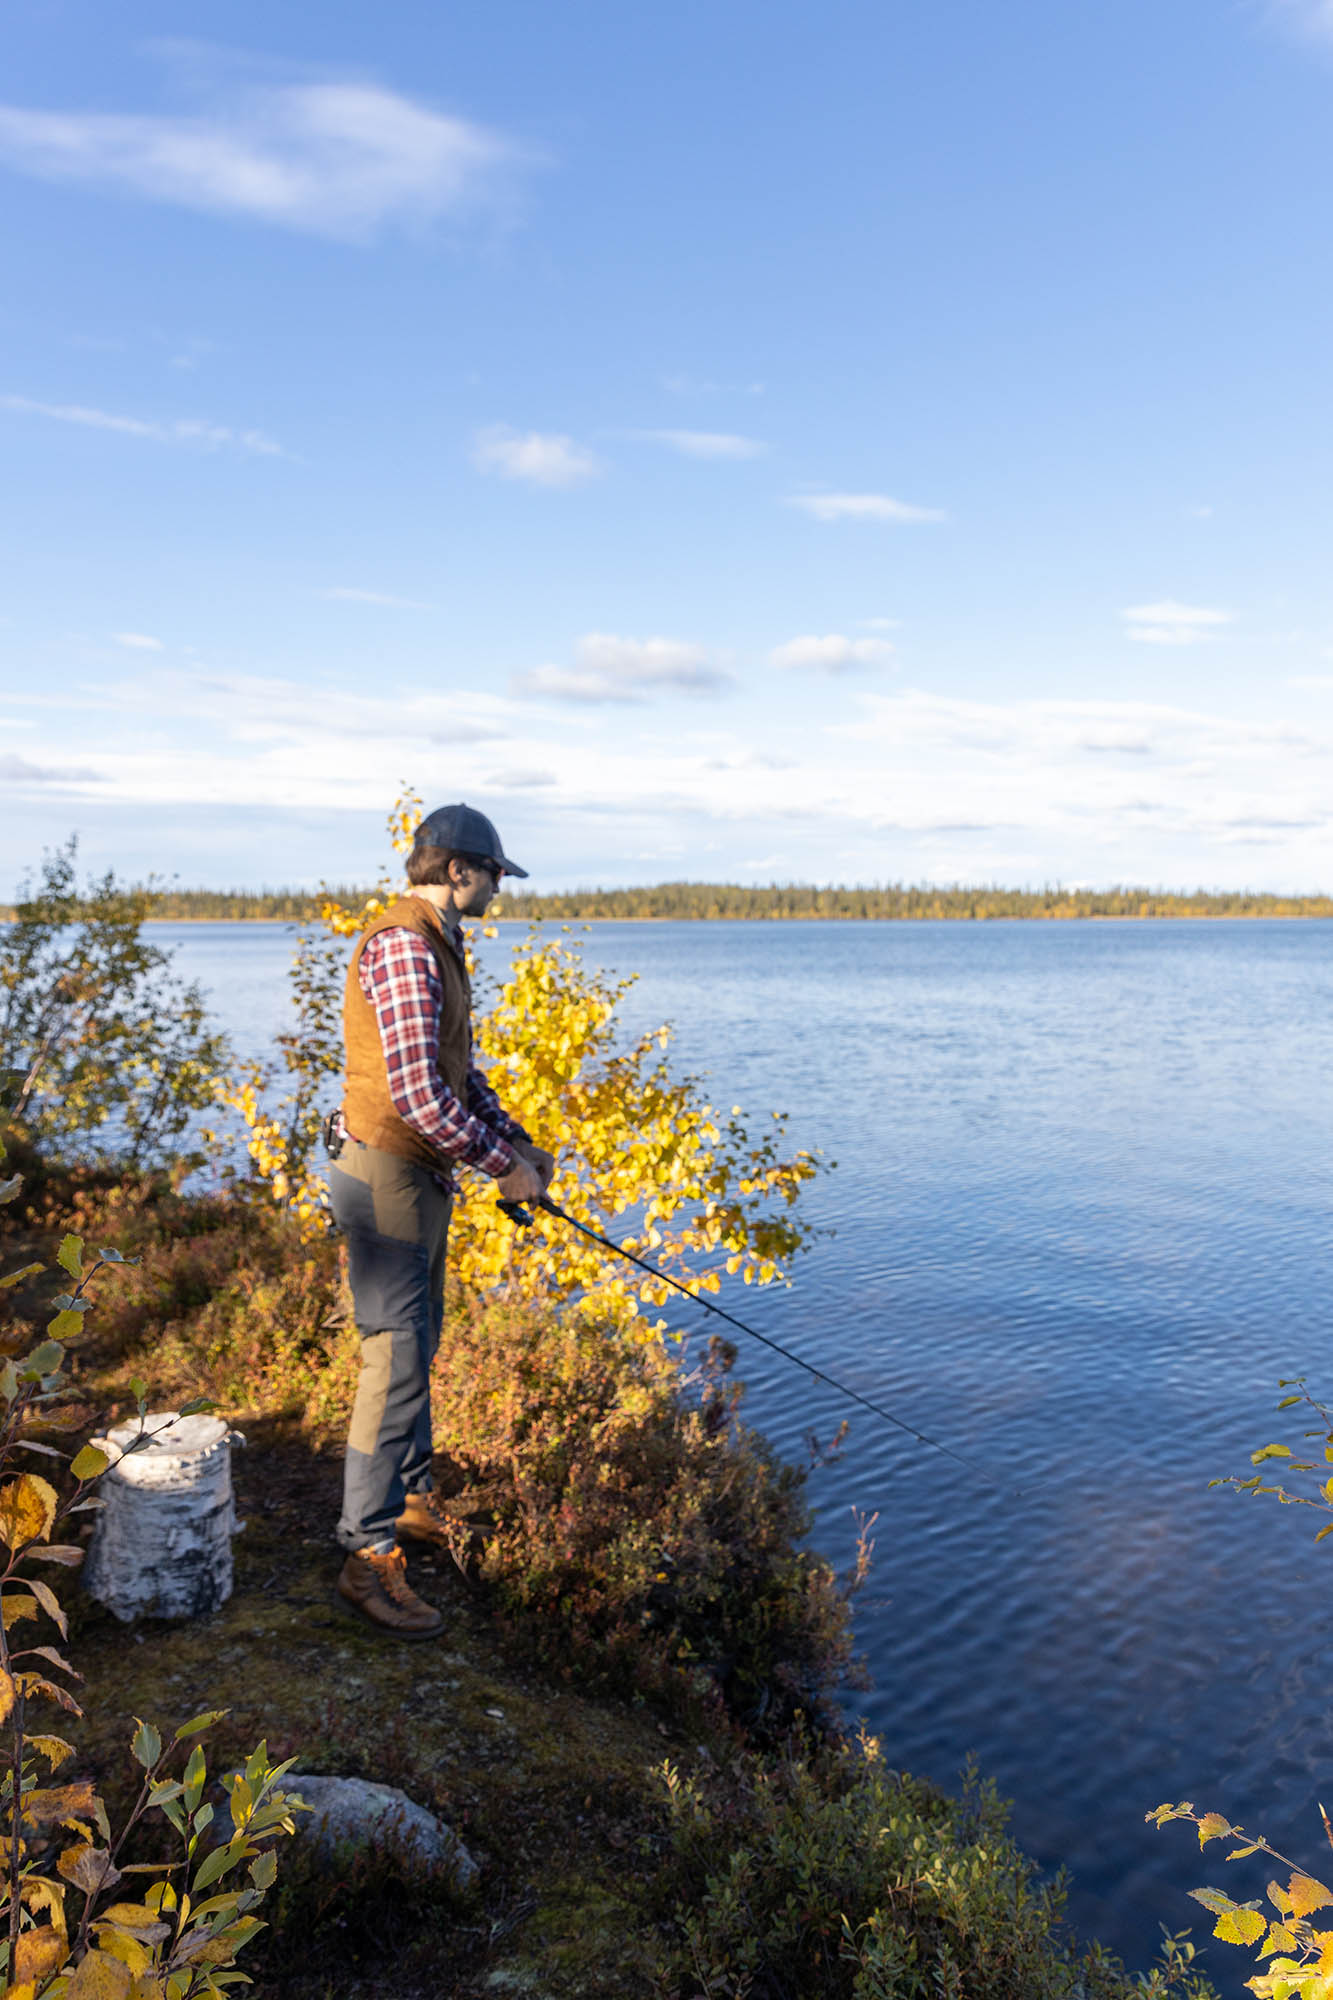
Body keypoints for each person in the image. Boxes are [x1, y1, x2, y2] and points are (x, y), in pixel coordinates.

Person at [327, 802, 554, 1638]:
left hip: (415, 1175)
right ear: (458, 869)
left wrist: (515, 1141)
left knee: (418, 1344)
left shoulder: (439, 941)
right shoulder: (404, 944)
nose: (500, 886)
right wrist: (502, 1167)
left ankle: (412, 1504)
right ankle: (366, 1555)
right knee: (392, 1359)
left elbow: (454, 1073)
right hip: (385, 1171)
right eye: (494, 872)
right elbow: (419, 1097)